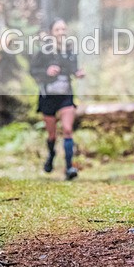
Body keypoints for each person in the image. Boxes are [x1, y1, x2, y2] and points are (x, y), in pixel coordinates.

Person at [30, 18, 85, 180]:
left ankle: (69, 168)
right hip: (48, 96)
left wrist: (78, 73)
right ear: (51, 32)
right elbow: (33, 71)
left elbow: (73, 69)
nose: (61, 32)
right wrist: (47, 72)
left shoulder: (69, 51)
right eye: (58, 30)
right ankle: (51, 155)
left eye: (63, 29)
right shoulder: (43, 52)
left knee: (68, 130)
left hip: (66, 95)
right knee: (52, 134)